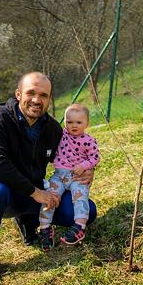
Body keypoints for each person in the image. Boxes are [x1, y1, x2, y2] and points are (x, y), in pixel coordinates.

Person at [0, 72, 97, 285]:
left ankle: (28, 221)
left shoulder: (53, 129)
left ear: (49, 99)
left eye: (43, 95)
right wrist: (37, 193)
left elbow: (73, 155)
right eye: (31, 93)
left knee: (89, 211)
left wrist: (88, 170)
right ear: (18, 94)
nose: (36, 100)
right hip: (8, 195)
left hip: (37, 194)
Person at [39, 103, 99, 251]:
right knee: (50, 198)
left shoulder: (88, 141)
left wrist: (84, 166)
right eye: (69, 122)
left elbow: (95, 158)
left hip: (76, 176)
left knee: (80, 197)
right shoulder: (61, 134)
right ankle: (45, 228)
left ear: (87, 123)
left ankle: (79, 226)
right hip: (59, 176)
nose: (74, 126)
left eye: (79, 122)